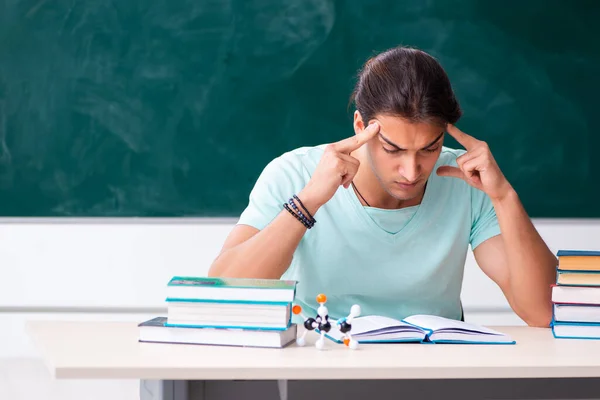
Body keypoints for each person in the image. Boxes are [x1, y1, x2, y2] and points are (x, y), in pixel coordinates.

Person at [207, 45, 557, 327]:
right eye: (393, 149)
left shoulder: (466, 179)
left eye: (430, 148)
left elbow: (542, 312)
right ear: (361, 126)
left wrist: (504, 196)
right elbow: (223, 291)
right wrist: (309, 201)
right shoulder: (295, 173)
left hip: (433, 370)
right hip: (319, 367)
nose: (411, 170)